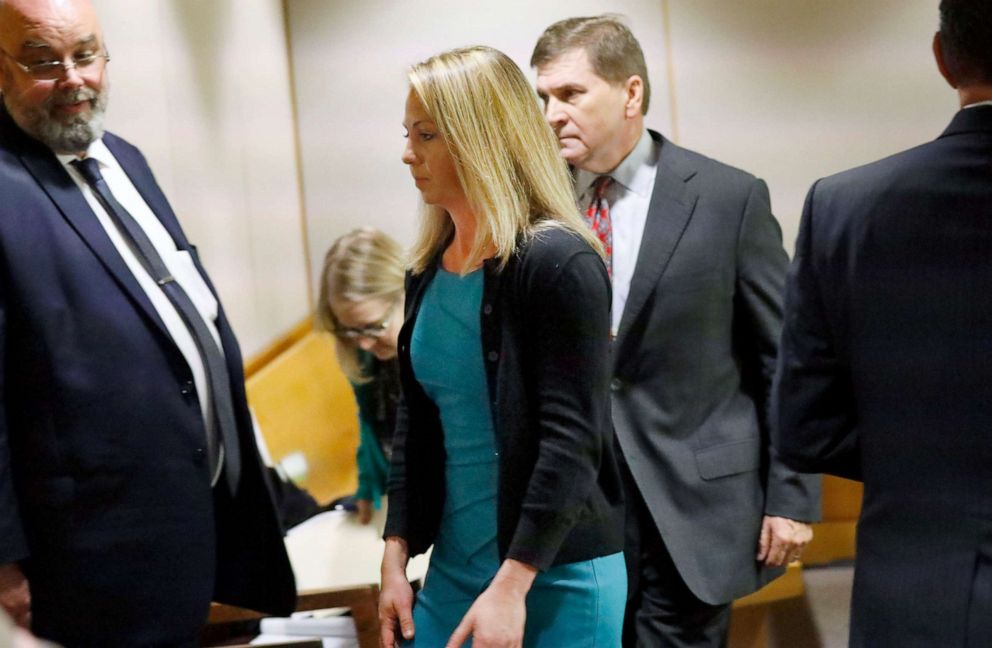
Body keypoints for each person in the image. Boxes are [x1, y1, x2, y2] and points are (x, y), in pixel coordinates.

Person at [0, 0, 296, 645]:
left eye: (86, 54)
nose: (74, 78)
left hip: (190, 525)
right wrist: (3, 562)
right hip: (86, 560)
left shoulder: (125, 158)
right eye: (44, 61)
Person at [532, 16, 821, 647]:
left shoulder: (727, 197)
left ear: (630, 93)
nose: (551, 114)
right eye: (543, 98)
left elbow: (784, 359)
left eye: (571, 94)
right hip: (579, 509)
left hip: (694, 503)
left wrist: (792, 496)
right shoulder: (540, 207)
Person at [378, 46, 626, 648]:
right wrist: (395, 552)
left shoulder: (557, 261)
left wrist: (512, 585)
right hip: (454, 573)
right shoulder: (426, 273)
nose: (408, 152)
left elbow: (571, 440)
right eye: (408, 133)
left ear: (479, 137)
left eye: (427, 134)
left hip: (550, 575)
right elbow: (417, 426)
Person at [773, 1, 992, 645]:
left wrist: (914, 456)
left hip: (916, 585)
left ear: (942, 58)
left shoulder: (844, 206)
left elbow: (805, 425)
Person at [316, 227, 404, 525]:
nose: (363, 343)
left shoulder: (440, 352)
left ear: (404, 292)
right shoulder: (364, 354)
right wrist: (368, 483)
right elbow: (371, 426)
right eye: (350, 330)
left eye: (373, 326)